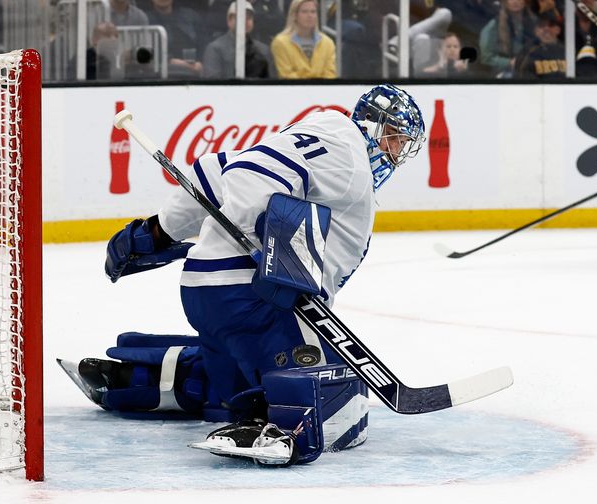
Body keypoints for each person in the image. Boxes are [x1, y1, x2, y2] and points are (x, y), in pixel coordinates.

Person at [71, 85, 426, 466]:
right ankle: (271, 423)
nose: (395, 153)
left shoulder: (326, 140)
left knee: (226, 386)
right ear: (372, 125)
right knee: (333, 401)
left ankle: (145, 379)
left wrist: (158, 232)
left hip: (208, 294)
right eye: (394, 139)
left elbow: (212, 172)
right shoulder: (347, 156)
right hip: (252, 298)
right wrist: (260, 228)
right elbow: (248, 174)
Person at [202, 1, 273, 78]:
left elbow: (271, 82)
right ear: (229, 21)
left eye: (249, 18)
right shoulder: (215, 49)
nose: (245, 21)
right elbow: (212, 84)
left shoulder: (263, 50)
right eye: (240, 17)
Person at [270, 0, 336, 79]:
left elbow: (330, 75)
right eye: (304, 12)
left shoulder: (328, 43)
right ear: (294, 15)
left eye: (313, 12)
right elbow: (286, 75)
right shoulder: (280, 42)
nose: (310, 16)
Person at [144, 0, 207, 78]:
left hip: (194, 73)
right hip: (158, 76)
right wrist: (170, 61)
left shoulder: (191, 16)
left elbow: (204, 43)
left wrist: (200, 62)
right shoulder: (145, 20)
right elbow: (143, 51)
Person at [479, 0, 538, 78]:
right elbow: (486, 58)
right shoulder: (493, 26)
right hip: (503, 73)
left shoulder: (535, 22)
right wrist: (510, 62)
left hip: (531, 69)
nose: (515, 1)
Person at [513, 10, 566, 79]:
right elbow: (521, 77)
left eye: (551, 25)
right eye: (542, 25)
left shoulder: (567, 50)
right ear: (536, 31)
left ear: (558, 30)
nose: (546, 28)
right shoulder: (527, 52)